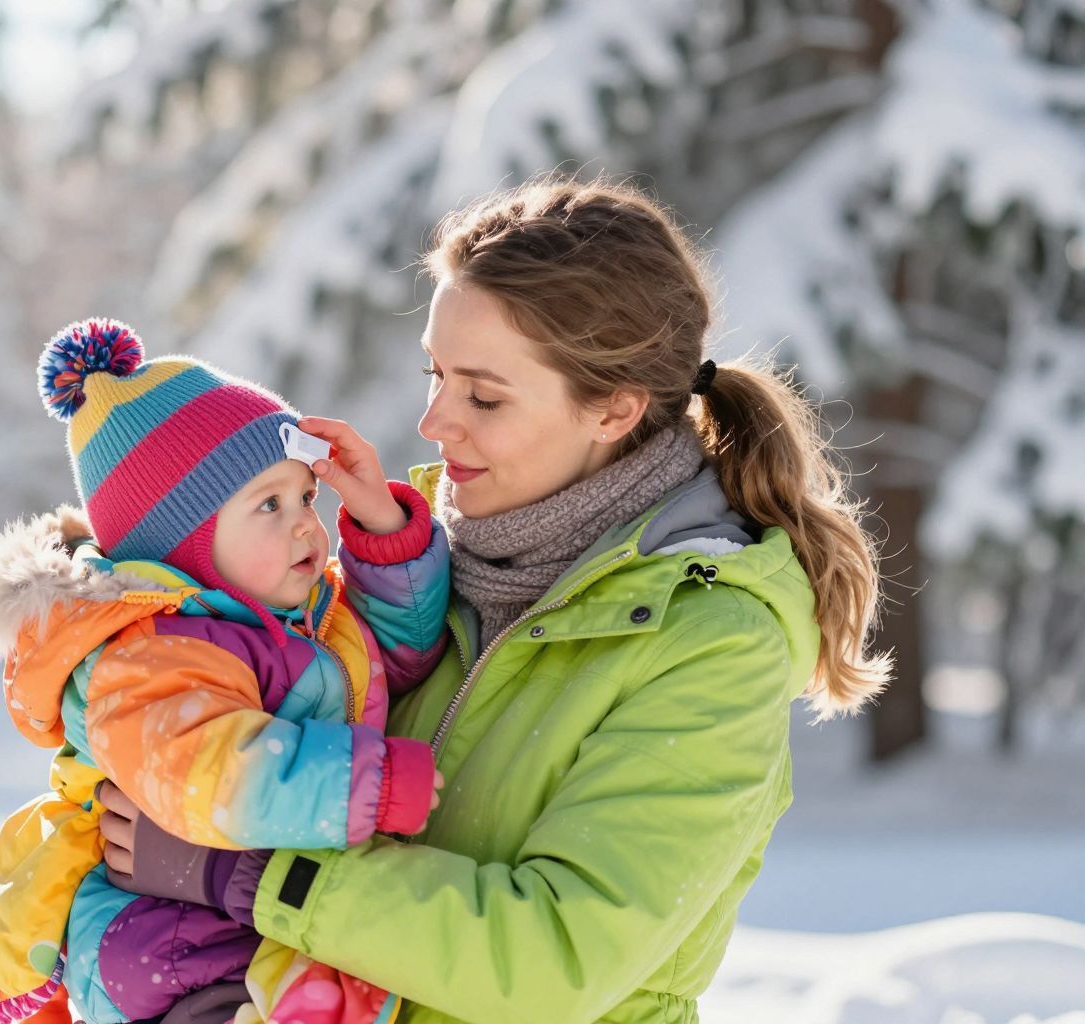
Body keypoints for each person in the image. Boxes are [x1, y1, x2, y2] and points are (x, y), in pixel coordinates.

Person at [97, 177, 893, 1024]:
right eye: (435, 375)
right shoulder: (426, 576)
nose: (435, 421)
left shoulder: (710, 639)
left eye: (483, 395)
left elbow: (553, 958)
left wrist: (246, 873)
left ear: (614, 409)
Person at [0, 318, 451, 1024]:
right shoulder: (150, 651)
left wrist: (382, 530)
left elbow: (400, 652)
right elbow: (209, 772)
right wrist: (371, 784)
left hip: (253, 907)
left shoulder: (301, 614)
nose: (307, 524)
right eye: (269, 505)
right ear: (184, 542)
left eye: (306, 496)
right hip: (162, 934)